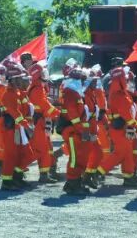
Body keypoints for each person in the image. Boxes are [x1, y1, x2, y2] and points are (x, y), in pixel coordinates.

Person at [97, 65, 137, 186]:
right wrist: (133, 124)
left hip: (123, 128)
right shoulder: (119, 95)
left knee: (127, 153)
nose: (127, 81)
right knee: (119, 153)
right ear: (120, 80)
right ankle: (98, 172)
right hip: (120, 128)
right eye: (125, 79)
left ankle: (128, 177)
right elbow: (125, 112)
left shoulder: (120, 93)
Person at [0, 61, 36, 191]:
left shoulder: (17, 92)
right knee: (11, 155)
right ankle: (7, 182)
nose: (22, 80)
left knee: (25, 154)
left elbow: (24, 108)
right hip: (11, 129)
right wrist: (26, 126)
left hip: (17, 129)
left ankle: (17, 177)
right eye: (19, 78)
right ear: (13, 80)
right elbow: (15, 112)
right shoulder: (9, 94)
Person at [59, 65, 91, 195]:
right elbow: (73, 114)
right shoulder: (70, 93)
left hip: (76, 130)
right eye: (82, 80)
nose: (83, 83)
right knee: (75, 158)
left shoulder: (75, 92)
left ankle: (75, 182)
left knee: (80, 157)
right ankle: (72, 183)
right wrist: (81, 130)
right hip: (72, 131)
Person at [27, 61, 61, 183]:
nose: (45, 76)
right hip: (38, 123)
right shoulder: (37, 89)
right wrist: (58, 113)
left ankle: (46, 173)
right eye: (43, 73)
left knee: (46, 148)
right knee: (41, 149)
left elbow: (44, 103)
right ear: (37, 76)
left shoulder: (38, 88)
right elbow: (44, 105)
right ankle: (19, 169)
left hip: (41, 122)